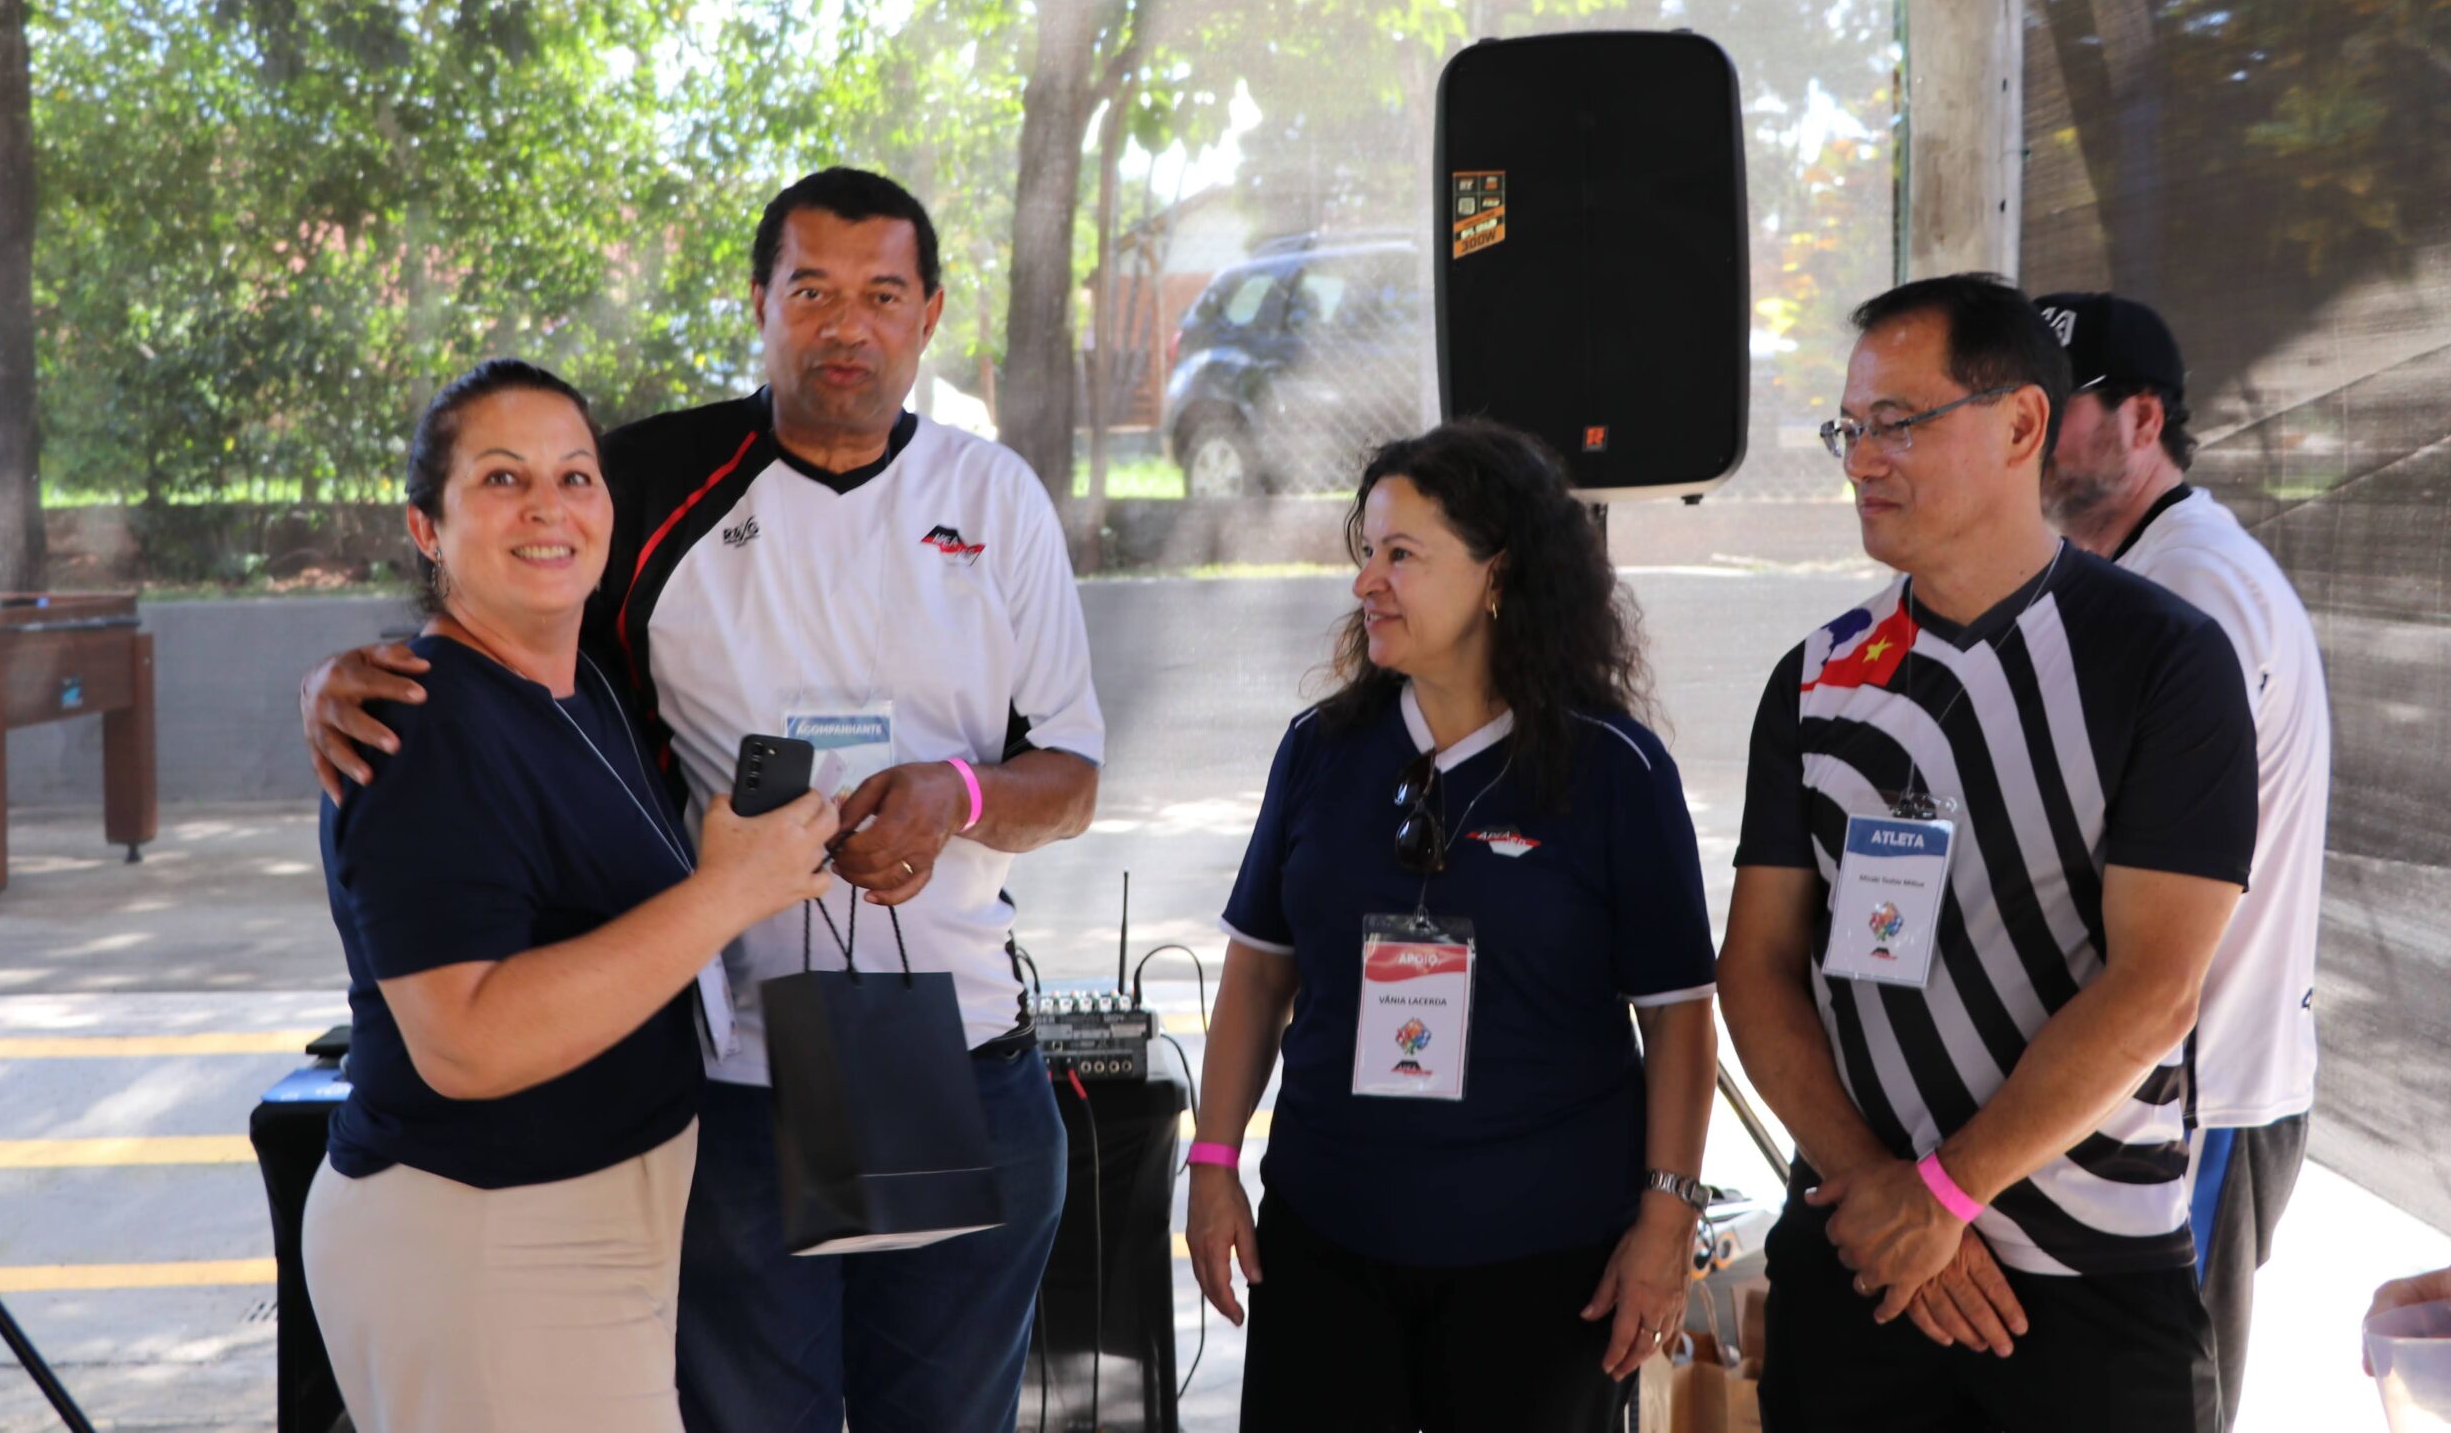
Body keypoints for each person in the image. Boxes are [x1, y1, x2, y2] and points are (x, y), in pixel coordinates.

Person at [299, 169, 1106, 1433]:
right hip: (728, 1083)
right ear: (759, 301)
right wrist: (352, 672)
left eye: (882, 294)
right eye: (812, 291)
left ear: (932, 312)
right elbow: (504, 631)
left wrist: (956, 793)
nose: (847, 326)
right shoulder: (645, 481)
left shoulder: (995, 496)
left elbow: (1071, 779)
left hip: (960, 1054)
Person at [1718, 275, 2261, 1433]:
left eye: (1897, 423)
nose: (1862, 460)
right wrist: (1882, 1193)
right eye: (1847, 429)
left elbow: (2157, 985)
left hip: (2086, 1275)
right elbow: (1755, 968)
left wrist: (1948, 1190)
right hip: (1858, 1256)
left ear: (2020, 424)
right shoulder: (1816, 677)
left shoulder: (2162, 657)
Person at [301, 359, 839, 1433]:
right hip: (491, 1235)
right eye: (501, 478)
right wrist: (728, 893)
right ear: (427, 527)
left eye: (574, 475)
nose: (548, 505)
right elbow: (465, 1042)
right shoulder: (419, 729)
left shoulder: (579, 682)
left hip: (589, 1226)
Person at [1186, 420, 1719, 1433]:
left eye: (1402, 555)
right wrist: (1211, 1166)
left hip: (1543, 1259)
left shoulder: (1614, 770)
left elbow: (1680, 1017)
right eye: (1367, 551)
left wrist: (1666, 1217)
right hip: (1327, 1237)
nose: (1366, 582)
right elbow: (1256, 974)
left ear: (1497, 575)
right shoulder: (1320, 750)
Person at [2037, 291, 2333, 1423]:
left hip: (2198, 1097)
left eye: (2057, 404)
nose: (2029, 430)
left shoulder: (2191, 584)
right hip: (2155, 1086)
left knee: (2163, 1399)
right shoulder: (2147, 570)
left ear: (2143, 418)